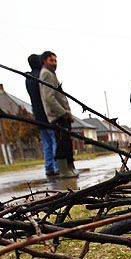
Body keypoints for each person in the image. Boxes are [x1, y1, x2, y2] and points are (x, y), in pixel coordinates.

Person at [39, 50, 78, 178]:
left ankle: (70, 167)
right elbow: (49, 98)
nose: (54, 63)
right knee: (62, 143)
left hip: (63, 116)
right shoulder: (46, 74)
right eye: (51, 60)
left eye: (55, 61)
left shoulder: (51, 74)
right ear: (44, 61)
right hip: (58, 116)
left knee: (67, 142)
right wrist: (63, 113)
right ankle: (64, 170)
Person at [25, 54, 59, 177]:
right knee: (55, 140)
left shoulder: (28, 78)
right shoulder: (41, 75)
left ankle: (49, 167)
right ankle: (57, 166)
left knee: (46, 142)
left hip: (37, 115)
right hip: (47, 114)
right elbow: (47, 97)